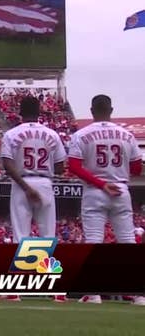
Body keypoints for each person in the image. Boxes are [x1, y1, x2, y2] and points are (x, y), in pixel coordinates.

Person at [67, 95, 144, 306]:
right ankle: (139, 295)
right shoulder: (127, 135)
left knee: (93, 242)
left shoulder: (82, 134)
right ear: (112, 110)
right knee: (127, 242)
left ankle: (93, 295)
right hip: (120, 189)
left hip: (95, 190)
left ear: (91, 110)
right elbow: (137, 168)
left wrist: (101, 183)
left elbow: (73, 166)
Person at [0, 96, 67, 303]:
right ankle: (56, 290)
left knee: (21, 235)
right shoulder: (52, 134)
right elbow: (61, 166)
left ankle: (16, 290)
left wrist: (26, 187)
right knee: (48, 235)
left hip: (22, 184)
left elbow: (7, 164)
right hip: (45, 182)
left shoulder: (11, 134)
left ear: (20, 111)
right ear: (39, 112)